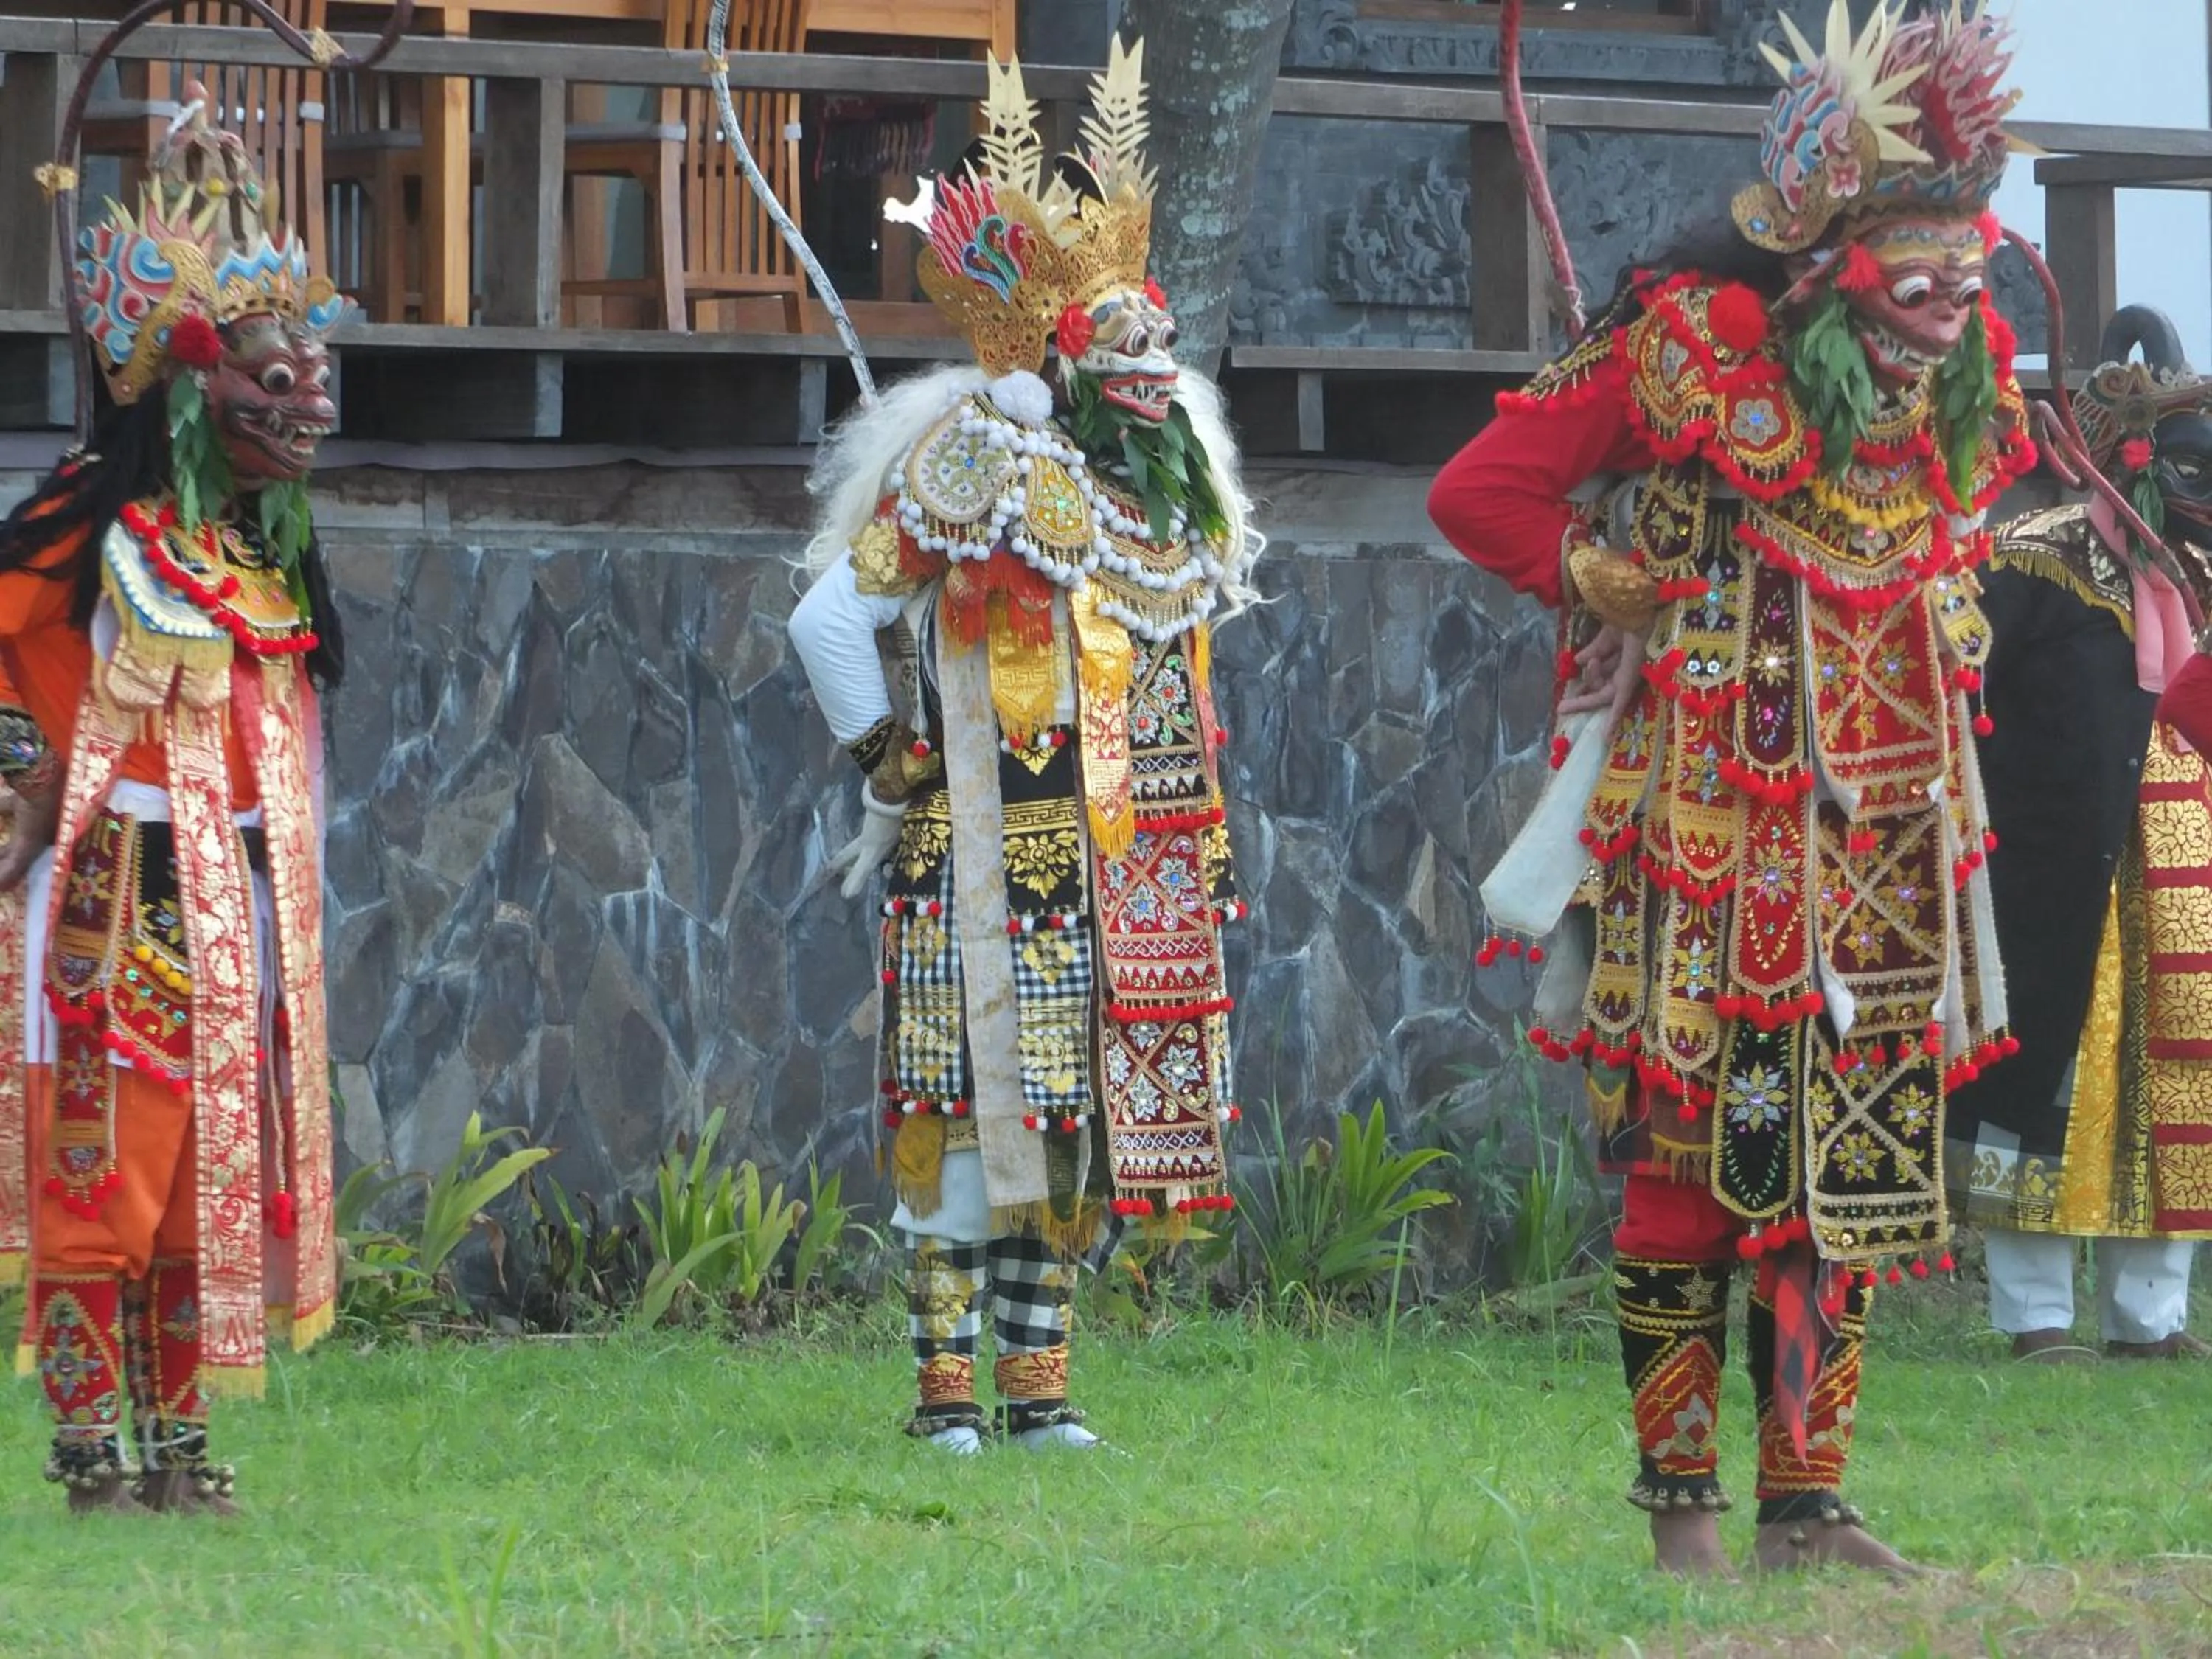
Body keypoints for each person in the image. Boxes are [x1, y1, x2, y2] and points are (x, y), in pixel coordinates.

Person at [1429, 0, 2033, 1576]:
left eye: (1968, 282)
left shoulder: (1971, 372)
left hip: (1890, 827)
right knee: (1694, 1161)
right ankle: (1685, 1512)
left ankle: (1812, 1504)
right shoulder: (1687, 341)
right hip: (1705, 827)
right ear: (1830, 259)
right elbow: (1480, 489)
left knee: (1864, 1168)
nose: (1947, 316)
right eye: (1916, 283)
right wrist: (1597, 574)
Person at [787, 41, 1256, 1453]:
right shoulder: (981, 463)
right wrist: (884, 757)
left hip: (1114, 864)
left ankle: (1041, 1389)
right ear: (1059, 352)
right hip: (976, 848)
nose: (1145, 378)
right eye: (1118, 355)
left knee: (1067, 1117)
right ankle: (946, 1395)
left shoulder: (1162, 501)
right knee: (957, 1098)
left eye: (1155, 357)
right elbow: (827, 617)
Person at [0, 88, 347, 1514]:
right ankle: (92, 1453)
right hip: (111, 897)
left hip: (234, 906)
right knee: (109, 1180)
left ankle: (182, 1445)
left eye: (311, 368)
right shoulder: (90, 524)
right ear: (185, 382)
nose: (303, 398)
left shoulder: (259, 554)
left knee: (208, 1167)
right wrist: (23, 772)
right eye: (268, 375)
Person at [1948, 307, 2212, 1362]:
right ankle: (2037, 1314)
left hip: (2185, 874)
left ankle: (2152, 1315)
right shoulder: (2027, 559)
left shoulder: (2203, 575)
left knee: (2178, 1072)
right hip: (2053, 877)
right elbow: (1957, 697)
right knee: (2044, 1073)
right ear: (2124, 464)